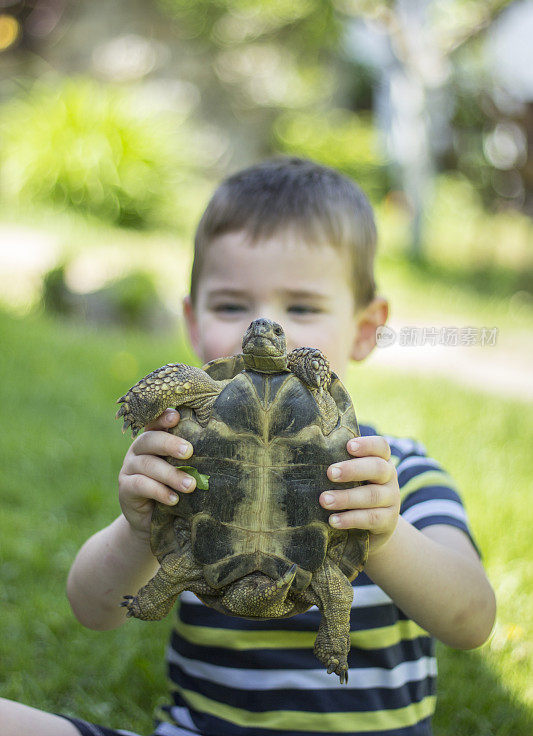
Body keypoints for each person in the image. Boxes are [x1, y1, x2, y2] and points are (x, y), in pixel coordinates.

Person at [0, 157, 496, 736]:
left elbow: (472, 618)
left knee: (333, 589)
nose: (264, 325)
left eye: (303, 309)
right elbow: (93, 610)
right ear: (191, 321)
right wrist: (139, 531)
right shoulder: (178, 459)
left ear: (365, 329)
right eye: (232, 305)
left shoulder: (399, 474)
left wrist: (382, 537)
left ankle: (331, 643)